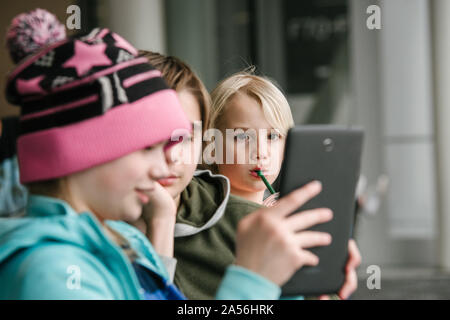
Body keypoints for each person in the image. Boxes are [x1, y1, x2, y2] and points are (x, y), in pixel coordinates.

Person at [0, 9, 331, 300]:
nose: (164, 164)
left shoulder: (124, 242)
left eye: (186, 138)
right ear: (78, 152)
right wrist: (253, 279)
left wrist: (295, 282)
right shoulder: (51, 273)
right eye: (146, 146)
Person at [134, 53, 359, 299]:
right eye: (242, 136)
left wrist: (317, 288)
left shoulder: (262, 220)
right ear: (211, 143)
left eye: (273, 137)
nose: (261, 153)